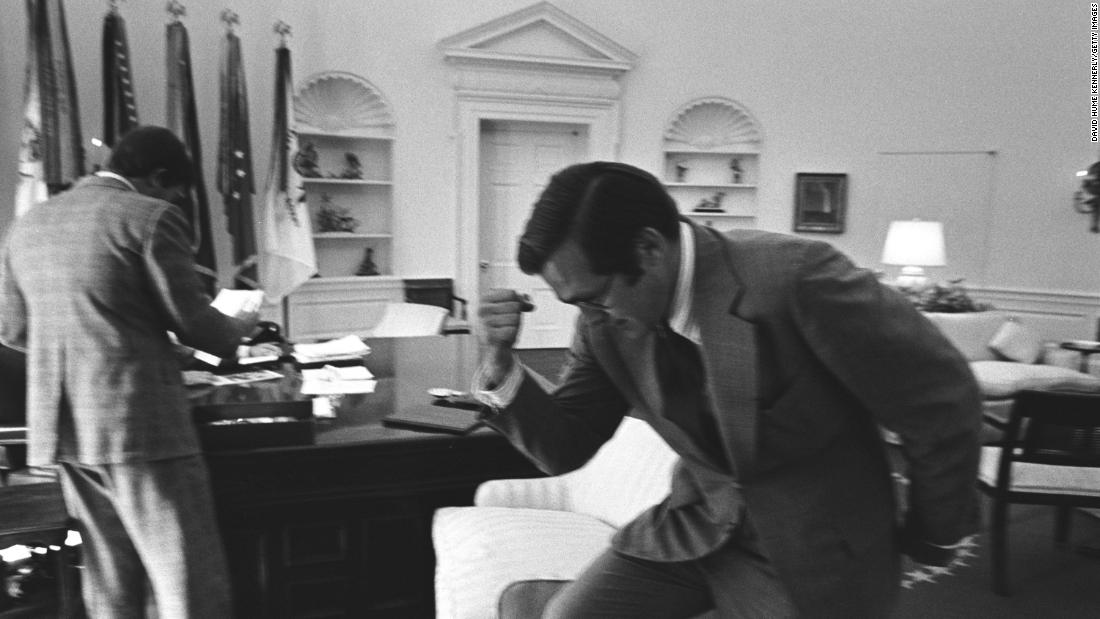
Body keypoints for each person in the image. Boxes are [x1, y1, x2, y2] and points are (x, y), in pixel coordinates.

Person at [474, 161, 981, 618]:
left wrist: (934, 534)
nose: (589, 319)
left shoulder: (797, 278)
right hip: (697, 526)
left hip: (814, 551)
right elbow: (568, 442)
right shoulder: (603, 321)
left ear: (649, 250)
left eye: (594, 299)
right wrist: (499, 363)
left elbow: (941, 399)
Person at [0, 126, 259, 618]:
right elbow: (198, 327)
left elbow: (12, 331)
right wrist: (240, 322)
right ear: (159, 177)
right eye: (176, 190)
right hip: (140, 427)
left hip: (65, 429)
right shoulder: (150, 217)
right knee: (184, 574)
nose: (176, 200)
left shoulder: (29, 223)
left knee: (108, 573)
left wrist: (98, 345)